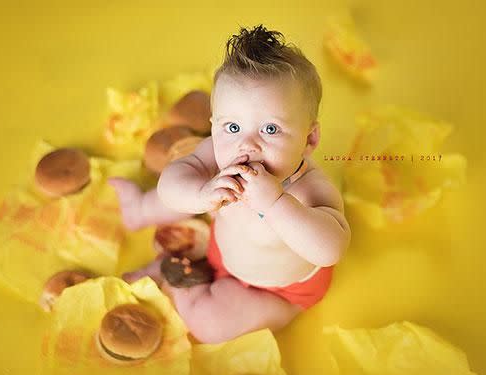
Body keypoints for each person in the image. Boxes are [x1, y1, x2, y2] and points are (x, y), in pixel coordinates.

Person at [108, 24, 351, 344]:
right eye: (233, 126)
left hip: (281, 291)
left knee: (210, 326)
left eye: (270, 129)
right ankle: (139, 211)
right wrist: (201, 195)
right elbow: (172, 184)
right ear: (214, 125)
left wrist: (277, 204)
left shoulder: (311, 188)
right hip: (220, 253)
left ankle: (176, 279)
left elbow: (330, 249)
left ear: (310, 138)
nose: (246, 144)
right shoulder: (217, 154)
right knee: (179, 191)